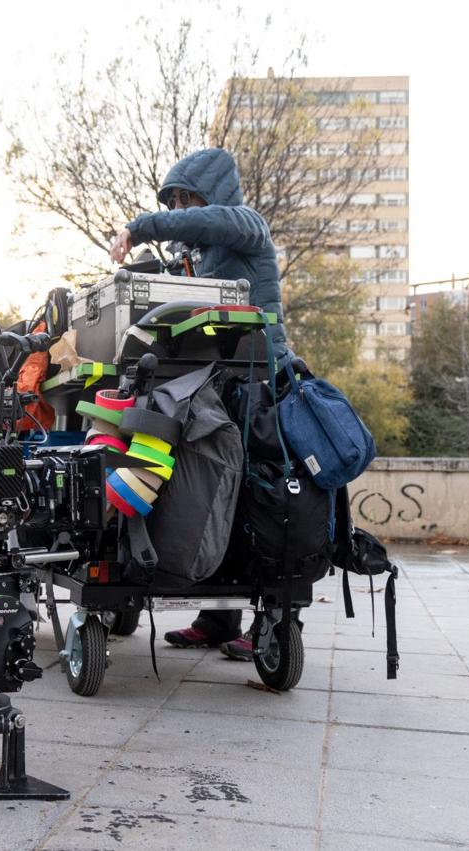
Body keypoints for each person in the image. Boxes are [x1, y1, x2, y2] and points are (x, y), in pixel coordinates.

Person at [109, 147, 290, 662]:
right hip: (221, 379)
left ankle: (274, 620)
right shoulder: (203, 255)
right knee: (216, 491)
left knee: (259, 497)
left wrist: (143, 226)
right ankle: (217, 618)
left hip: (262, 379)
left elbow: (214, 223)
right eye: (174, 202)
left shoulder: (245, 224)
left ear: (212, 194)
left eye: (187, 199)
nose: (182, 210)